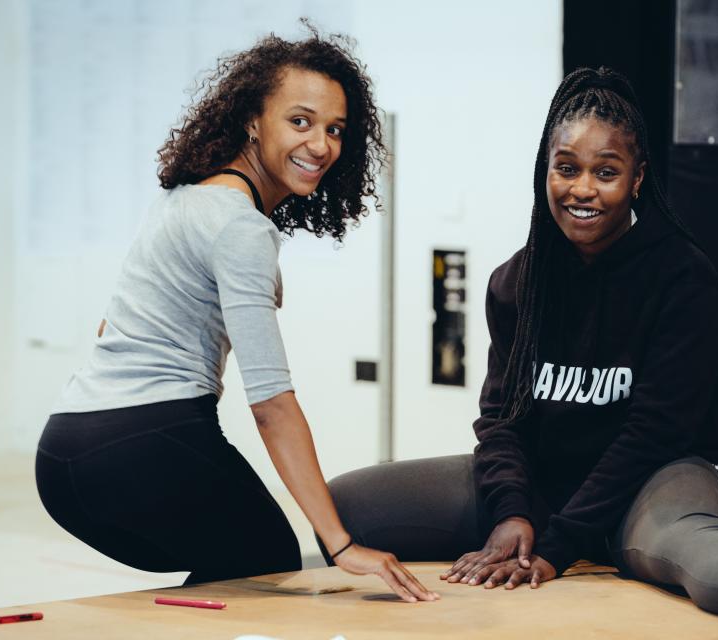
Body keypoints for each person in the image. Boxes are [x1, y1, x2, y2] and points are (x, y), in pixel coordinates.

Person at [325, 66, 718, 637]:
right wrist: (512, 513)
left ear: (637, 178)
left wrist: (558, 545)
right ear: (544, 170)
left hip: (655, 481)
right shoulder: (517, 282)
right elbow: (501, 421)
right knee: (351, 505)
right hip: (546, 484)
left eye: (606, 172)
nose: (582, 189)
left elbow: (655, 431)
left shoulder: (682, 280)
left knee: (683, 542)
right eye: (567, 168)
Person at [34, 29, 437, 604]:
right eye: (300, 121)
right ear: (254, 120)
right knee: (266, 556)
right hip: (139, 441)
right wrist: (341, 544)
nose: (321, 144)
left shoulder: (184, 197)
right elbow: (271, 403)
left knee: (235, 565)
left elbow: (109, 328)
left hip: (65, 452)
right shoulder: (240, 228)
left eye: (335, 129)